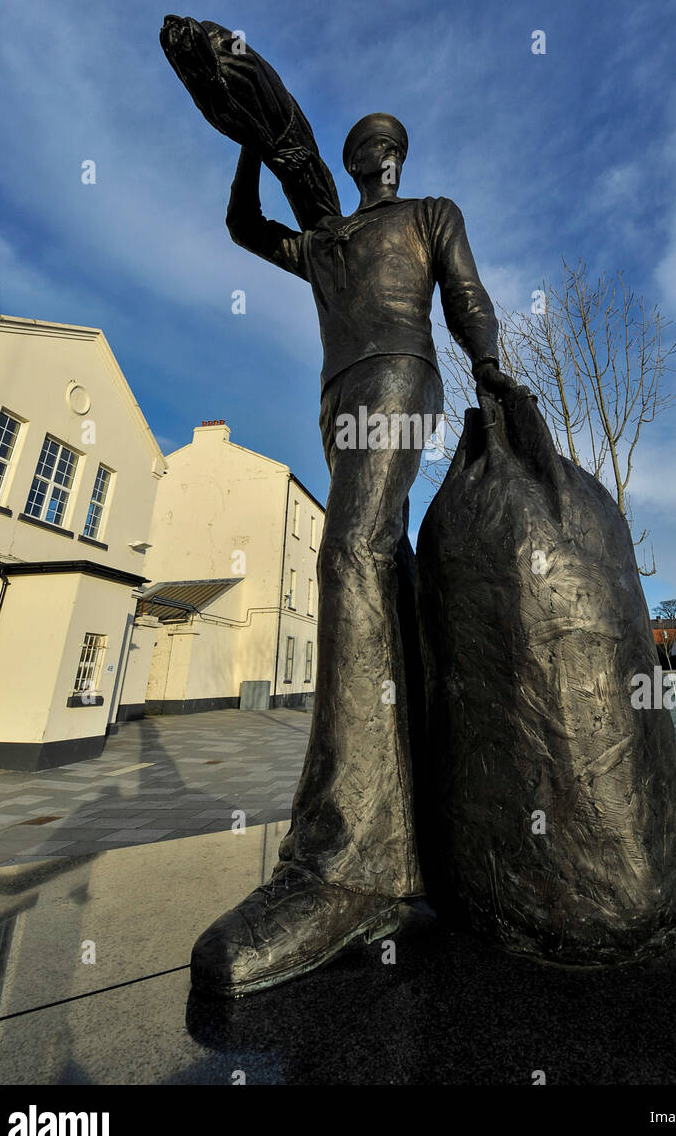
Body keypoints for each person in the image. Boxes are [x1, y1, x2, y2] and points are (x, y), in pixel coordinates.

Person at [190, 113, 522, 996]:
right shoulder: (329, 240)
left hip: (401, 373)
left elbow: (468, 297)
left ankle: (350, 861)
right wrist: (248, 143)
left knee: (349, 551)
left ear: (397, 158)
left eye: (387, 144)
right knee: (385, 570)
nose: (379, 154)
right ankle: (415, 836)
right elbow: (243, 229)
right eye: (367, 146)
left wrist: (489, 366)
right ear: (353, 161)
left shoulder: (430, 215)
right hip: (339, 396)